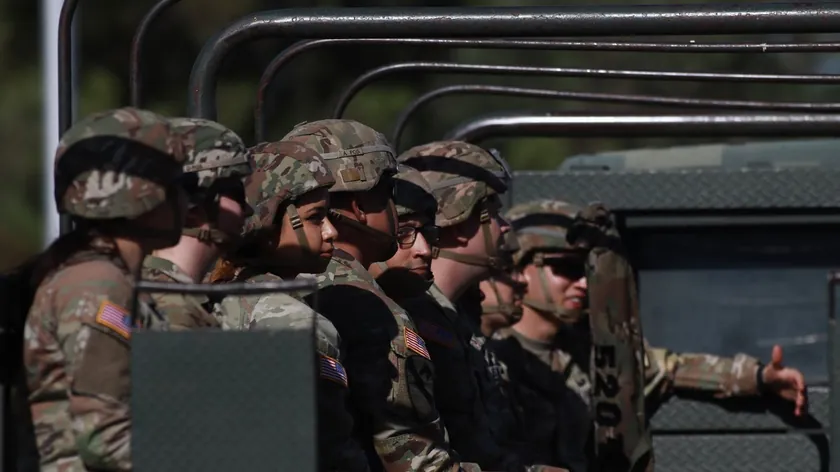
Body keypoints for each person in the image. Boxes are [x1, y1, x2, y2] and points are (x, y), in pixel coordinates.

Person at [484, 199, 809, 469]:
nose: (583, 284)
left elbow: (671, 368)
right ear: (519, 268)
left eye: (587, 271)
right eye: (566, 269)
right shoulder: (487, 357)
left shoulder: (594, 355)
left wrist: (760, 377)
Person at [283, 120, 465, 471]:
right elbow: (415, 460)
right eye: (387, 193)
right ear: (357, 207)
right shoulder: (367, 307)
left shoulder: (269, 285)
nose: (395, 210)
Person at [23, 107, 188, 471]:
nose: (186, 202)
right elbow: (105, 439)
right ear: (140, 196)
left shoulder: (105, 278)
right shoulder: (97, 284)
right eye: (179, 186)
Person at [207, 140, 369, 471]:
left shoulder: (208, 299)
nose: (331, 231)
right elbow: (329, 451)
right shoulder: (296, 324)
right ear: (269, 222)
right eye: (316, 217)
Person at [396, 141, 536, 471]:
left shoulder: (455, 318)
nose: (505, 227)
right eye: (493, 213)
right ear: (457, 218)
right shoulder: (414, 320)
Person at [141, 117, 253, 330]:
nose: (248, 210)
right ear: (194, 206)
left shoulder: (169, 297)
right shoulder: (172, 311)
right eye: (236, 194)